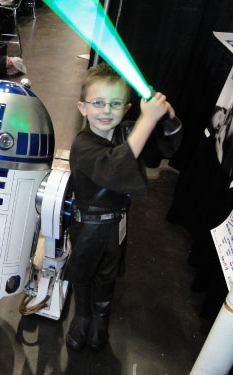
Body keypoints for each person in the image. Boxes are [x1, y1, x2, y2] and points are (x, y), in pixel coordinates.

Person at [64, 63, 182, 351]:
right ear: (82, 107)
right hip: (87, 226)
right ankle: (81, 317)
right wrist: (146, 122)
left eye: (115, 104)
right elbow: (114, 168)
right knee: (83, 273)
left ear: (127, 108)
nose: (106, 111)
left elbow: (166, 146)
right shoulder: (83, 145)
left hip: (115, 224)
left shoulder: (127, 132)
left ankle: (100, 321)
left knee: (106, 275)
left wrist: (165, 117)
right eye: (98, 103)